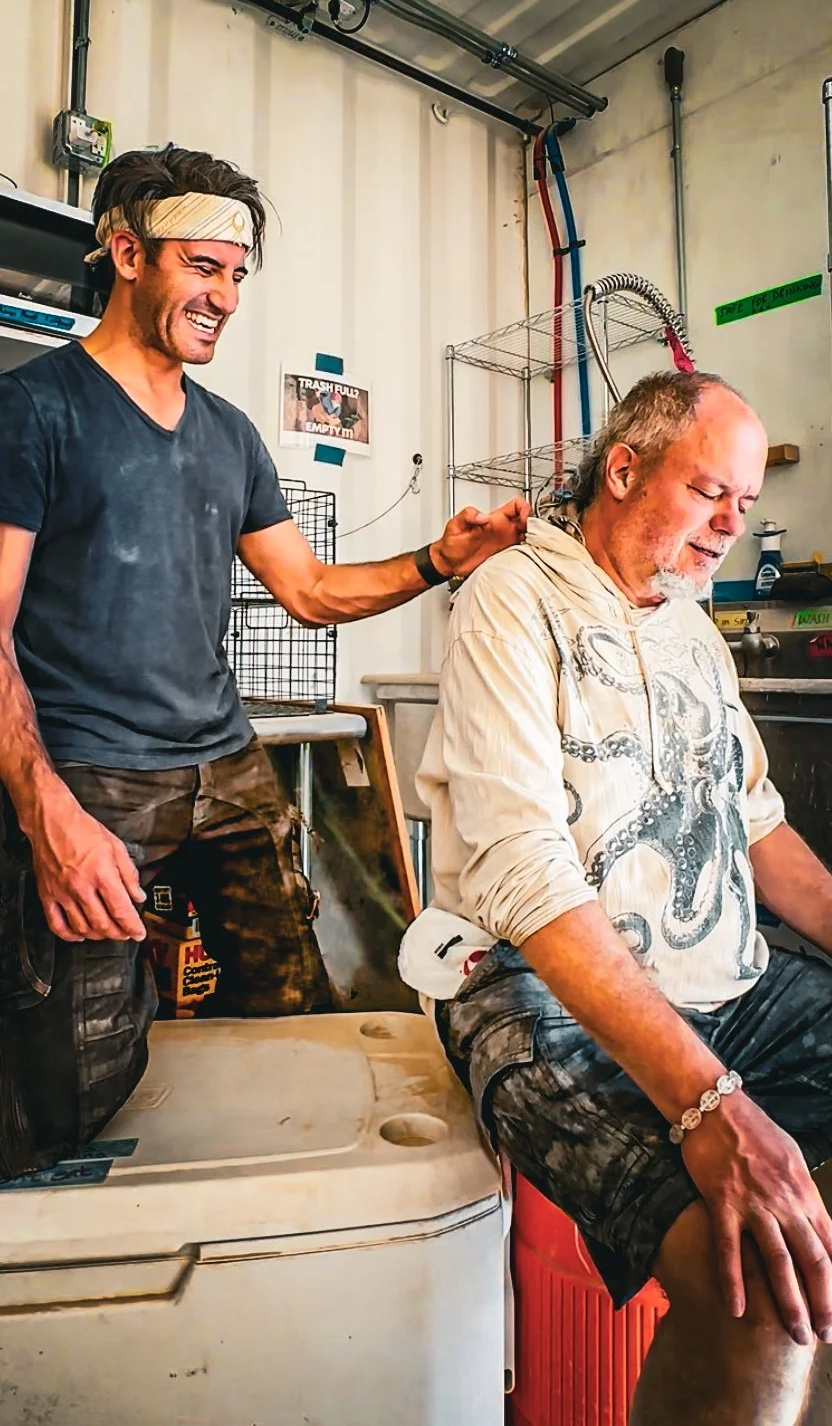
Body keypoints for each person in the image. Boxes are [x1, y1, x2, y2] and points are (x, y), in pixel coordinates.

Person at [0, 143, 528, 1179]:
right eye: (203, 266)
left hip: (227, 765)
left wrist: (437, 558)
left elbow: (310, 590)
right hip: (92, 776)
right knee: (72, 1072)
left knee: (288, 1006)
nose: (226, 296)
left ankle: (258, 1236)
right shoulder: (33, 410)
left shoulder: (229, 435)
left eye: (238, 274)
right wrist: (47, 815)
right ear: (125, 253)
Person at [399, 371, 832, 1426]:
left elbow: (755, 820)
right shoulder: (512, 599)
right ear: (625, 466)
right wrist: (707, 1101)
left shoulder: (692, 627)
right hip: (532, 985)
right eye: (707, 492)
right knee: (756, 1298)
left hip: (720, 978)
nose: (731, 524)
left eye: (744, 503)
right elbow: (522, 869)